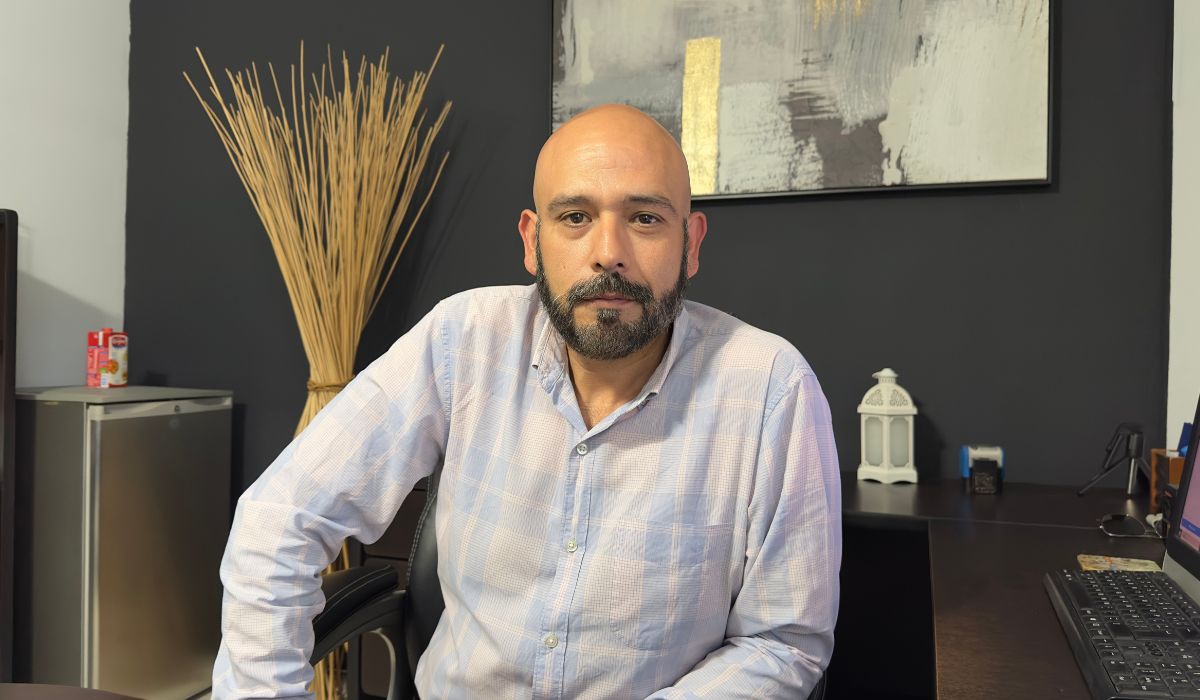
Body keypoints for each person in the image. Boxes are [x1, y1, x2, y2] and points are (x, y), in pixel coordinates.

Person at [212, 104, 841, 698]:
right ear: (531, 240)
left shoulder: (769, 386)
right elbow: (279, 521)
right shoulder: (463, 339)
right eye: (575, 217)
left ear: (691, 243)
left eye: (645, 218)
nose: (609, 252)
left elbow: (783, 642)